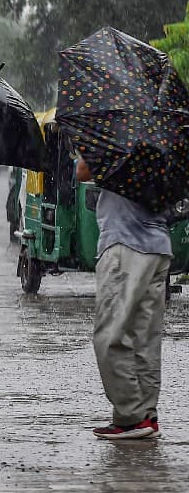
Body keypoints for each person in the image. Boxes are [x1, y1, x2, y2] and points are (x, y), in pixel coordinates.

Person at [76, 158, 171, 440]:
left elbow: (83, 171)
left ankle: (131, 416)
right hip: (158, 245)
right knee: (144, 338)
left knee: (109, 336)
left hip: (125, 245)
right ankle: (146, 416)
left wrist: (84, 146)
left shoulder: (114, 134)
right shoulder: (159, 139)